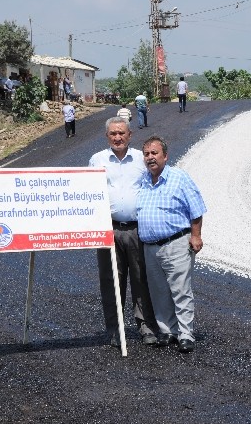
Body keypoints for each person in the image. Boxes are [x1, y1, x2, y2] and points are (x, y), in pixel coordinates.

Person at [88, 117, 159, 347]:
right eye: (113, 134)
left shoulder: (142, 158)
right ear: (106, 136)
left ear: (130, 135)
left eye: (121, 133)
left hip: (138, 230)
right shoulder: (97, 160)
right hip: (108, 230)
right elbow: (86, 193)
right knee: (111, 282)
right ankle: (115, 329)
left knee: (141, 280)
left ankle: (145, 326)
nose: (117, 137)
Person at [136, 135, 207, 353]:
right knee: (159, 292)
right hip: (150, 247)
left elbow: (197, 209)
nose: (150, 158)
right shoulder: (143, 181)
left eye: (154, 153)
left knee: (181, 290)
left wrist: (196, 236)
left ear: (165, 156)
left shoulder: (179, 178)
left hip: (176, 243)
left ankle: (186, 334)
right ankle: (167, 331)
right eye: (146, 154)